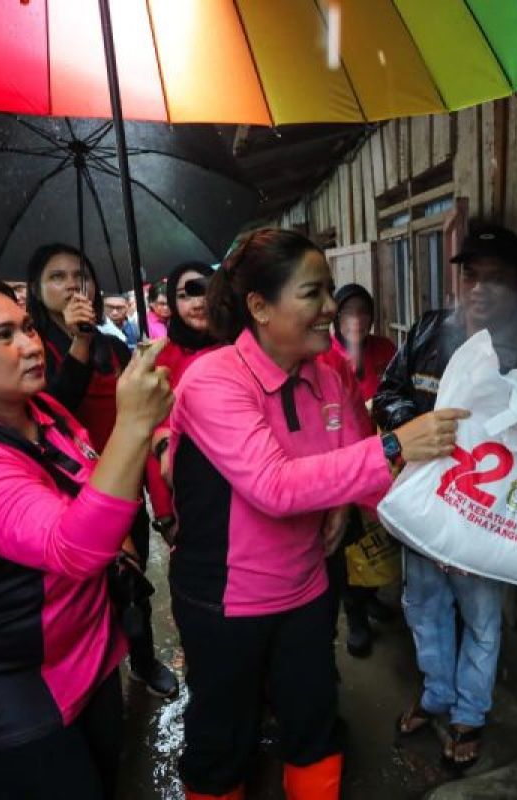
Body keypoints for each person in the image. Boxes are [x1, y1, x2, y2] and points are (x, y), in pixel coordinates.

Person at [166, 228, 466, 800]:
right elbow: (275, 485)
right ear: (259, 306)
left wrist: (454, 532)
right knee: (221, 739)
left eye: (329, 290)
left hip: (305, 587)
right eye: (313, 293)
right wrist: (398, 445)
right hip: (225, 600)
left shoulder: (329, 375)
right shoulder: (213, 381)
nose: (332, 307)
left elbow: (359, 468)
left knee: (313, 724)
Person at [0, 271, 173, 800]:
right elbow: (74, 549)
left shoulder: (42, 410)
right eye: (4, 336)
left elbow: (93, 478)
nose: (31, 345)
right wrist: (135, 425)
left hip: (86, 648)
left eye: (26, 326)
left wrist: (128, 545)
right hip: (5, 679)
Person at [373, 223, 517, 770]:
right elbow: (386, 392)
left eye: (496, 279)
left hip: (483, 513)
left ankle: (469, 714)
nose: (479, 288)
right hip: (427, 503)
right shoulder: (429, 331)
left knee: (480, 616)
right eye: (471, 275)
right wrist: (413, 428)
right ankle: (435, 693)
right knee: (422, 604)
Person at [25, 244, 178, 699]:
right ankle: (94, 675)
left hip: (124, 486)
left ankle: (145, 661)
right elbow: (54, 409)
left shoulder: (113, 347)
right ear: (36, 289)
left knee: (133, 582)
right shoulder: (31, 346)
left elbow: (138, 422)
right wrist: (78, 340)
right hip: (65, 495)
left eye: (80, 275)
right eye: (58, 277)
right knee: (85, 594)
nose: (73, 285)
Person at [317, 283, 398, 659]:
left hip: (385, 456)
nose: (357, 320)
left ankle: (372, 597)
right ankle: (357, 615)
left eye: (364, 312)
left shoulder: (385, 349)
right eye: (349, 312)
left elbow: (400, 391)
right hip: (345, 461)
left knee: (379, 538)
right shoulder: (325, 355)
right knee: (350, 542)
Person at [143, 262, 219, 537]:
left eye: (202, 291)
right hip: (188, 497)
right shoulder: (161, 359)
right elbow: (151, 436)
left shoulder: (241, 348)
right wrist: (164, 514)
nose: (197, 303)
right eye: (184, 295)